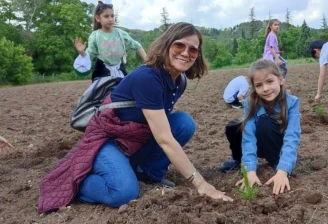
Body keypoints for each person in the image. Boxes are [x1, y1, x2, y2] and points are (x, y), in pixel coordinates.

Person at [38, 22, 232, 213]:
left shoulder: (179, 81)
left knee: (183, 123)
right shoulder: (148, 78)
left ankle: (147, 173)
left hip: (135, 139)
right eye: (179, 45)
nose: (185, 53)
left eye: (193, 50)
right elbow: (164, 139)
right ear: (167, 45)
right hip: (108, 141)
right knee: (123, 193)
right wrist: (201, 184)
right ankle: (80, 182)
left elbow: (158, 126)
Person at [220, 59, 301, 195]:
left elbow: (292, 136)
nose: (265, 89)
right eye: (259, 85)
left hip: (277, 144)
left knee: (264, 122)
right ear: (254, 87)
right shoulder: (250, 103)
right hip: (259, 142)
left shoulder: (291, 103)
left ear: (280, 80)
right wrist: (250, 170)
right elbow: (248, 136)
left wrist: (283, 170)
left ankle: (276, 161)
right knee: (234, 127)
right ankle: (239, 160)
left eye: (270, 81)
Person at [73, 1, 147, 82]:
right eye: (106, 16)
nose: (110, 19)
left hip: (120, 71)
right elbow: (90, 54)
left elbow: (137, 45)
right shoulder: (95, 36)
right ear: (98, 18)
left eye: (112, 16)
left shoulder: (121, 34)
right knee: (99, 94)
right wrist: (82, 53)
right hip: (102, 72)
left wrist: (147, 61)